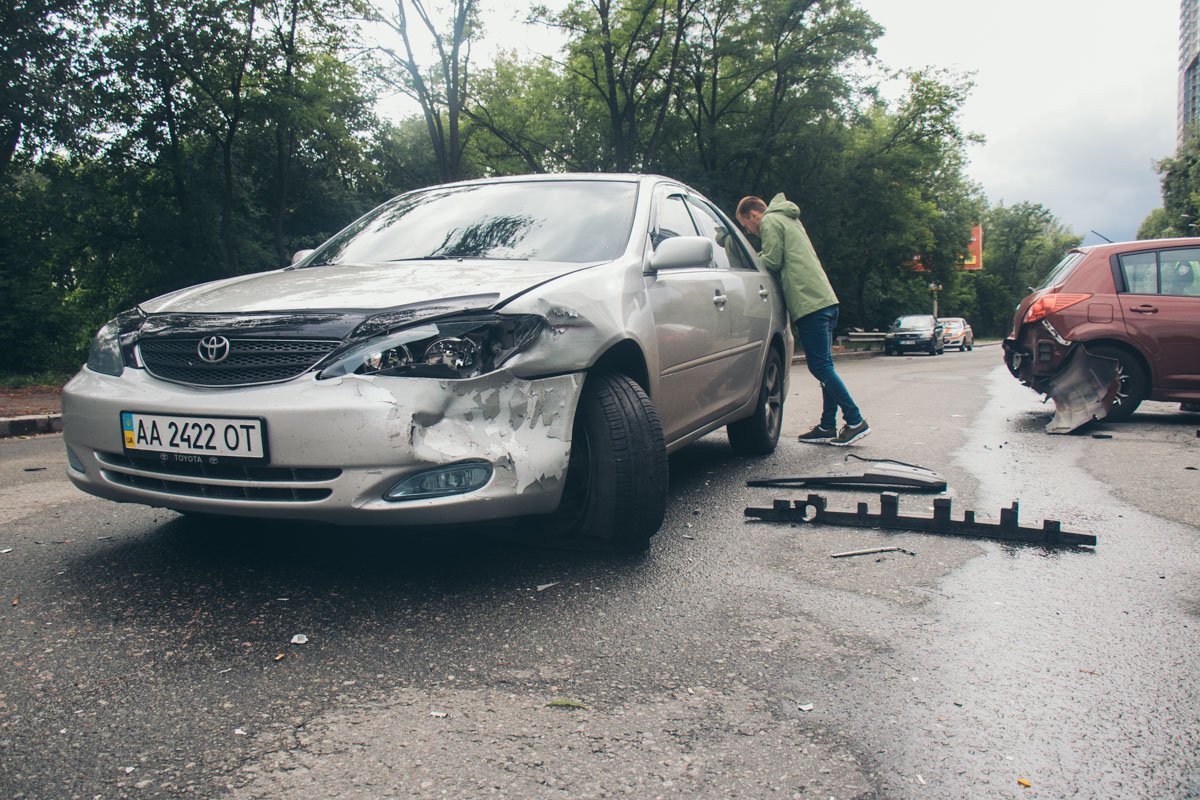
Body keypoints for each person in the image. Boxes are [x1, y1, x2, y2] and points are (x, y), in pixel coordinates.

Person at [735, 193, 869, 446]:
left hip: (810, 304)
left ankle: (855, 420)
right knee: (824, 366)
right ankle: (828, 425)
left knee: (820, 367)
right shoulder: (788, 219)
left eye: (746, 225)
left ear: (754, 215)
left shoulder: (770, 222)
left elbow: (772, 261)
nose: (750, 231)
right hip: (825, 300)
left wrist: (748, 260)